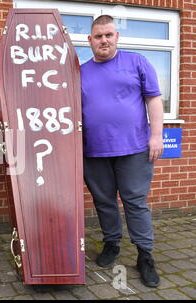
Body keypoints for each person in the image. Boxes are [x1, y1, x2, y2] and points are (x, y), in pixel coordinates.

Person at [81, 15, 164, 288]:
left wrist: (156, 136)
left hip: (134, 149)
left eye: (108, 35)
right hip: (94, 151)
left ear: (117, 37)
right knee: (104, 201)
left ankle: (145, 255)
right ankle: (111, 244)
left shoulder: (136, 62)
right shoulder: (80, 72)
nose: (103, 40)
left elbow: (153, 98)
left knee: (134, 202)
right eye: (98, 36)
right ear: (89, 40)